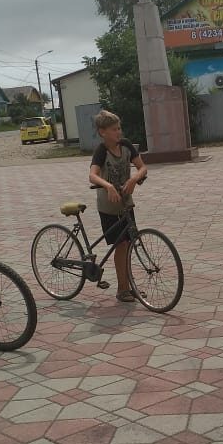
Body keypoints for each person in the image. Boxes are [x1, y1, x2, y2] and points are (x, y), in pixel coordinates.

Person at [89, 110, 148, 302]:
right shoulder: (101, 151)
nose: (118, 132)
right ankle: (123, 289)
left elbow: (142, 167)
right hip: (109, 207)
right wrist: (108, 186)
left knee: (129, 244)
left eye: (119, 128)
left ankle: (129, 286)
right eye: (114, 129)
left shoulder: (126, 145)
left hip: (126, 204)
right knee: (121, 245)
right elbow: (92, 175)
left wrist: (134, 179)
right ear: (102, 132)